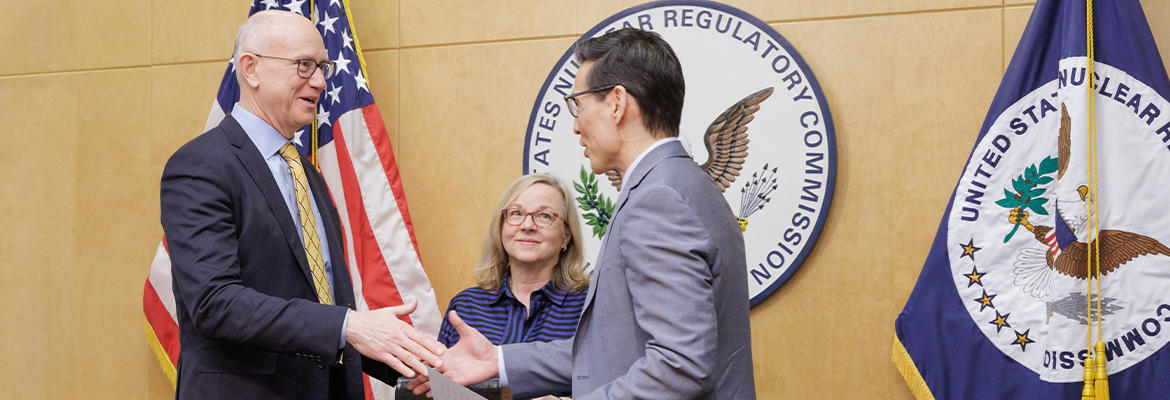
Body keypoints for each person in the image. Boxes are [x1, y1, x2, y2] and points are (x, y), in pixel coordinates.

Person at [413, 28, 756, 400]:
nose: (576, 125)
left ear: (617, 103)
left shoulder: (658, 197)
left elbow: (681, 367)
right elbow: (614, 353)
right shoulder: (687, 184)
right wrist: (500, 359)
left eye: (579, 104)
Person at [160, 10, 444, 400]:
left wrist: (411, 362)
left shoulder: (306, 173)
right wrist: (349, 325)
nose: (322, 81)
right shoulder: (200, 166)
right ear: (251, 69)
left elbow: (323, 311)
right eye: (305, 66)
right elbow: (215, 303)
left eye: (323, 67)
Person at [437, 174, 589, 348]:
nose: (527, 226)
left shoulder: (588, 307)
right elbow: (439, 373)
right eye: (517, 213)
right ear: (500, 227)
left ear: (566, 237)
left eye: (544, 216)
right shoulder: (465, 306)